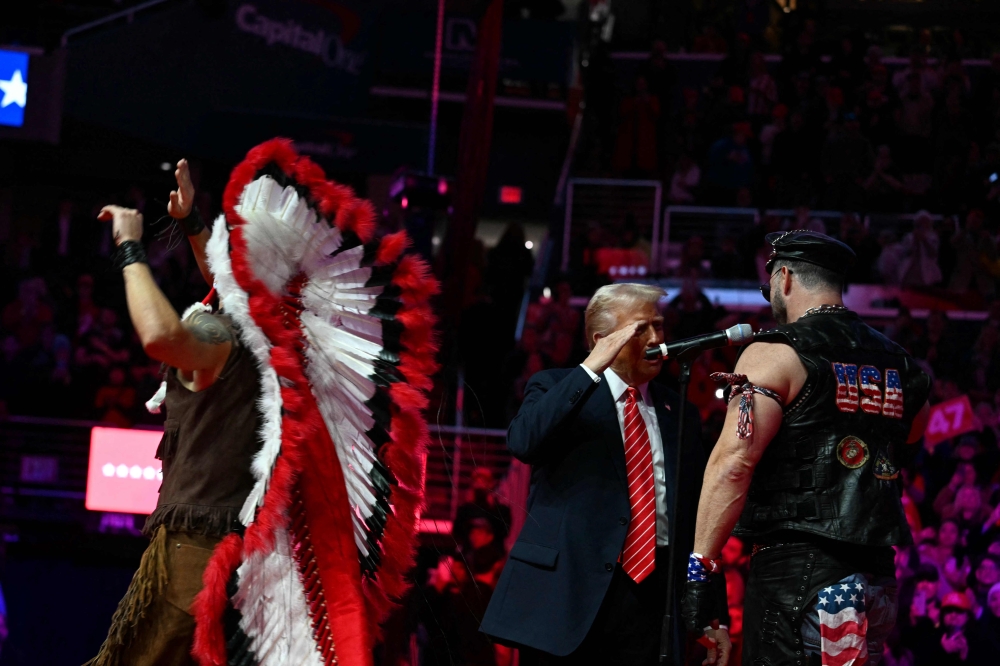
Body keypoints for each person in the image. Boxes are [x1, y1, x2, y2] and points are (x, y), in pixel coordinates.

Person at [682, 230, 932, 665]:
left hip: (799, 579)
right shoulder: (903, 363)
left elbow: (733, 464)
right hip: (875, 580)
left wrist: (700, 566)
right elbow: (909, 440)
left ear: (785, 278)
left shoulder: (774, 354)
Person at [481, 284, 722, 665]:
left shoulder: (681, 412)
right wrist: (591, 367)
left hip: (650, 603)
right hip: (567, 599)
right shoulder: (555, 387)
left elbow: (696, 517)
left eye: (659, 326)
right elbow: (524, 441)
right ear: (601, 339)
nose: (657, 339)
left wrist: (712, 612)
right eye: (641, 328)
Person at [86, 161, 256, 666]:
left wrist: (129, 246)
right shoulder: (273, 326)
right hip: (226, 552)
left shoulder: (223, 336)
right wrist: (191, 221)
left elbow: (161, 336)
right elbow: (230, 277)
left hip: (196, 561)